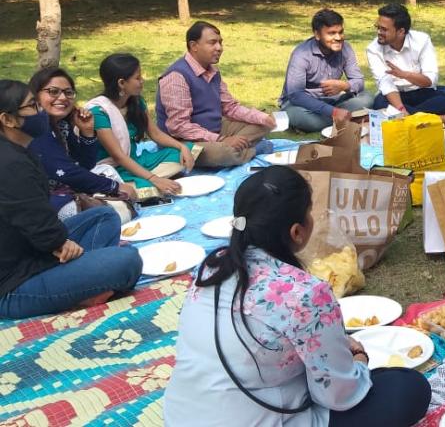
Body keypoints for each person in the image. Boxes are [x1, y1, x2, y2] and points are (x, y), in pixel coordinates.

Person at [163, 166, 431, 427]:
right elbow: (340, 395)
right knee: (407, 389)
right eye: (309, 212)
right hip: (262, 414)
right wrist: (359, 357)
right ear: (297, 231)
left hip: (182, 415)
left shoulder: (212, 267)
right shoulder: (306, 294)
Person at [0, 80, 142, 320]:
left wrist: (57, 243)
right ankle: (79, 289)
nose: (40, 112)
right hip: (14, 284)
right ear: (8, 119)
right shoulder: (10, 163)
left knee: (103, 216)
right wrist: (59, 243)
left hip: (33, 251)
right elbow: (33, 218)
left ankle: (80, 282)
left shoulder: (21, 149)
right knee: (127, 260)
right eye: (33, 106)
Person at [157, 21, 276, 168]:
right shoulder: (176, 76)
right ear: (194, 46)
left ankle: (239, 148)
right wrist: (221, 139)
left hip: (214, 129)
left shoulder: (213, 70)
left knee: (263, 124)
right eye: (212, 43)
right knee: (224, 153)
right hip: (183, 142)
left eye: (220, 42)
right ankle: (255, 149)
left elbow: (230, 107)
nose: (219, 48)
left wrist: (263, 118)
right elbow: (179, 126)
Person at [26, 68, 137, 218]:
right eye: (53, 91)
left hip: (67, 188)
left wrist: (87, 132)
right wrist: (114, 187)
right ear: (36, 96)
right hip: (40, 201)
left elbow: (85, 164)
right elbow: (66, 172)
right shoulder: (37, 128)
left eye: (68, 92)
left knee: (113, 191)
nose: (63, 97)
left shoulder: (62, 125)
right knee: (114, 214)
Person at [87, 53, 194, 196]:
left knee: (187, 151)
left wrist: (181, 147)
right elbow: (118, 156)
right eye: (137, 78)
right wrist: (154, 179)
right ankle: (147, 184)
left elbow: (155, 134)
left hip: (136, 161)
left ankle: (148, 182)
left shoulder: (136, 102)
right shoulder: (99, 113)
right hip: (114, 169)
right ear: (121, 83)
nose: (142, 81)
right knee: (142, 187)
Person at [279, 9, 375, 132]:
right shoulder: (301, 54)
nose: (338, 37)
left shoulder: (346, 48)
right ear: (317, 35)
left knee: (368, 97)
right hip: (303, 105)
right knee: (296, 115)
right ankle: (347, 118)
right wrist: (333, 112)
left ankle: (339, 118)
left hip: (333, 101)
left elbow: (359, 82)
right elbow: (296, 95)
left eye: (341, 32)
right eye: (331, 33)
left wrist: (345, 85)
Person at [366, 3, 445, 118]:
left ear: (401, 32)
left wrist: (405, 75)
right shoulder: (373, 49)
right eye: (378, 27)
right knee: (379, 104)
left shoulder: (422, 40)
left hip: (422, 92)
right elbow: (386, 84)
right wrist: (401, 108)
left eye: (384, 29)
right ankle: (441, 118)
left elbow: (430, 80)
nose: (379, 32)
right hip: (396, 95)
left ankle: (408, 118)